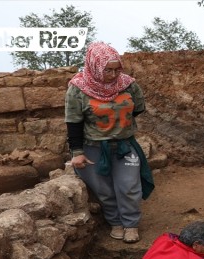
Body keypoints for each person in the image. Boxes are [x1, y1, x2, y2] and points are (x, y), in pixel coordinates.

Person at [65, 41, 154, 244]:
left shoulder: (128, 84)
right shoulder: (77, 88)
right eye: (108, 70)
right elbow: (73, 122)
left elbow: (138, 108)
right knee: (103, 189)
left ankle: (131, 224)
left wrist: (118, 125)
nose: (114, 75)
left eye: (117, 69)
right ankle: (116, 222)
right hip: (93, 147)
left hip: (124, 145)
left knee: (129, 185)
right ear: (94, 67)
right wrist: (77, 152)